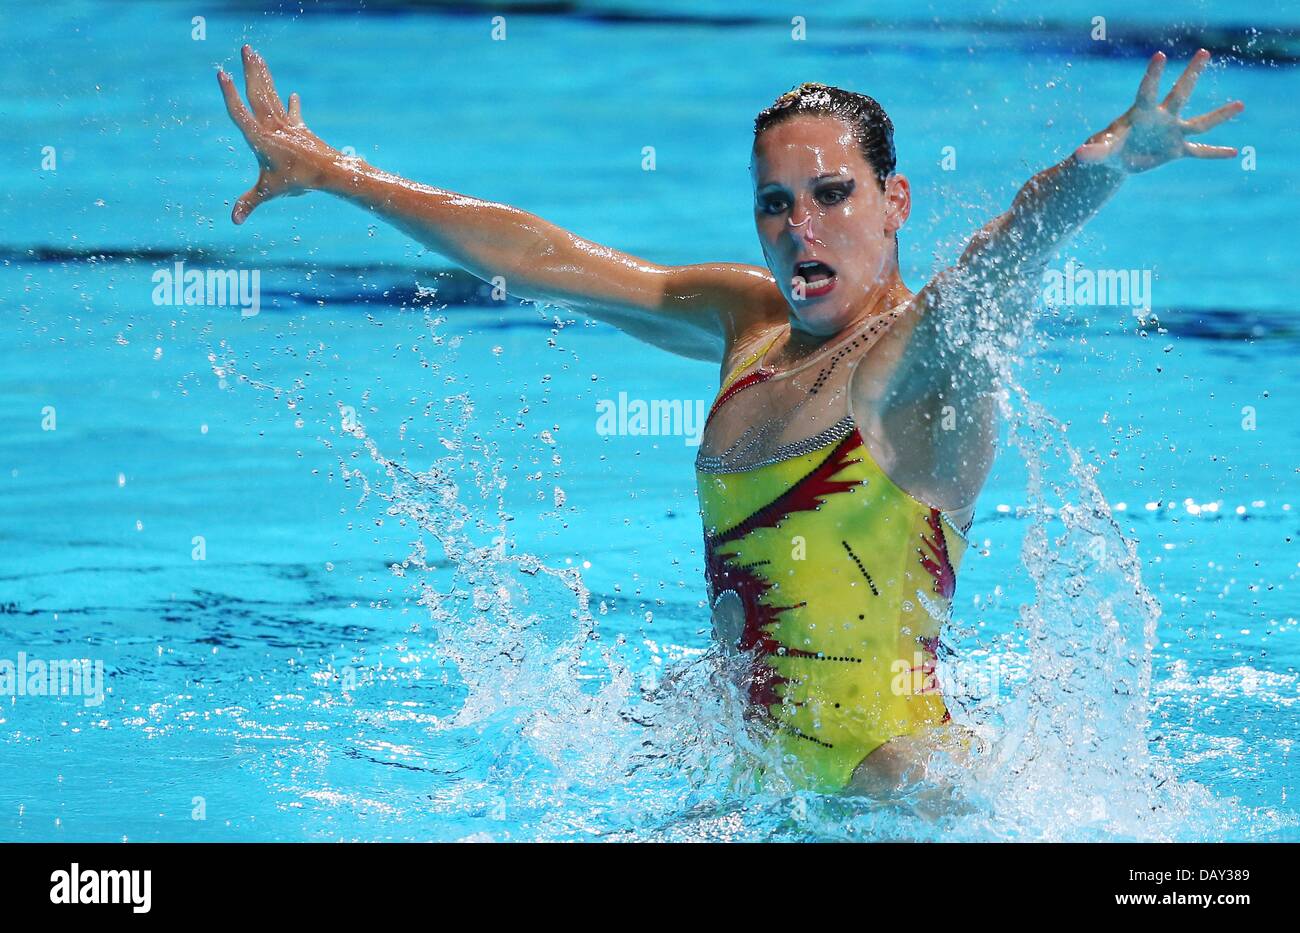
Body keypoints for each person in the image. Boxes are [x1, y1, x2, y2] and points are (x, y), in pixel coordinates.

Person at [217, 45, 1243, 794]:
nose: (800, 227)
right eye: (774, 202)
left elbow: (1006, 256)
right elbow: (538, 256)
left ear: (895, 202)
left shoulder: (920, 361)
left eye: (832, 194)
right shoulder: (747, 321)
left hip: (883, 786)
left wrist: (1102, 164)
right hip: (742, 767)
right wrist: (331, 172)